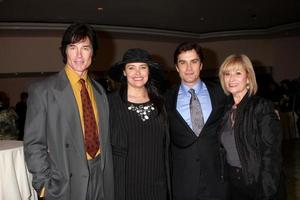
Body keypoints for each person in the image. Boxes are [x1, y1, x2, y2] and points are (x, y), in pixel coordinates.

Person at [23, 23, 114, 200]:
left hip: (101, 178)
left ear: (93, 53)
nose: (79, 55)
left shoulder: (99, 91)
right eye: (73, 47)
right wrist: (44, 186)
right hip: (65, 182)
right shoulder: (43, 90)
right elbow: (34, 144)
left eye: (85, 48)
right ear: (65, 51)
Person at [165, 42, 228, 200]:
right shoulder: (165, 99)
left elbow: (241, 106)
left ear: (201, 65)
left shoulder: (221, 93)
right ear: (177, 67)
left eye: (194, 61)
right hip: (182, 182)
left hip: (217, 179)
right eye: (183, 62)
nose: (189, 68)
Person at [218, 54, 284, 200]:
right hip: (233, 183)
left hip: (256, 183)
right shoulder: (225, 110)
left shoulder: (261, 107)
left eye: (238, 73)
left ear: (248, 78)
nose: (231, 78)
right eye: (227, 73)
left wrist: (266, 190)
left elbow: (271, 154)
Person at [108, 48, 171, 200]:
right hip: (125, 184)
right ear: (124, 72)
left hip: (157, 184)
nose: (137, 73)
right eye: (131, 67)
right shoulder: (110, 103)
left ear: (149, 71)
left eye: (143, 67)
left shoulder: (161, 103)